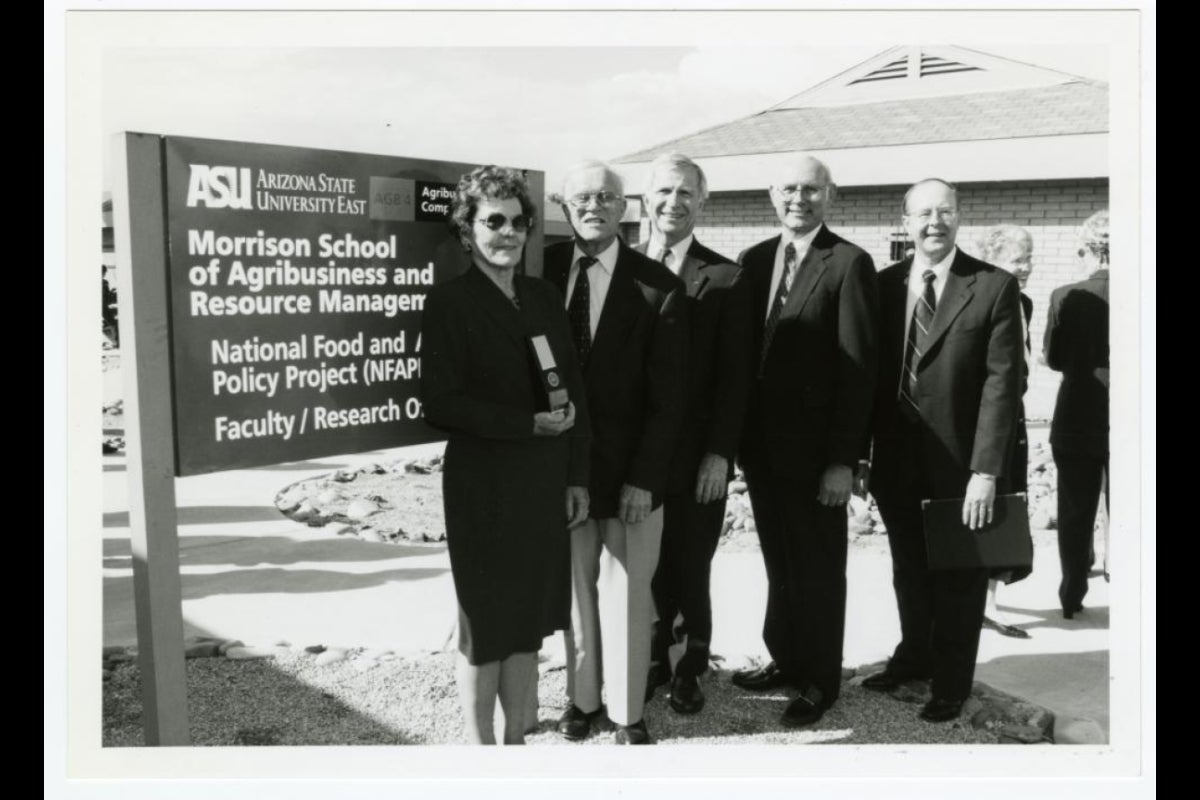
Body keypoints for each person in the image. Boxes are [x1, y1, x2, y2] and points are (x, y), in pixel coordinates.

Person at [420, 166, 591, 745]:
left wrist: (576, 476)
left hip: (542, 483)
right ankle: (480, 751)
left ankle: (518, 742)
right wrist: (526, 424)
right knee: (485, 625)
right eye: (494, 221)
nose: (509, 233)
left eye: (519, 222)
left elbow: (574, 390)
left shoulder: (543, 297)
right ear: (467, 229)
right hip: (483, 486)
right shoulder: (450, 302)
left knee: (526, 625)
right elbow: (440, 403)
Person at [862, 178, 1023, 723]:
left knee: (958, 578)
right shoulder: (882, 287)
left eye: (946, 211)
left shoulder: (992, 286)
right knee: (909, 568)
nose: (935, 221)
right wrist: (861, 455)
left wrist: (985, 471)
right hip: (896, 462)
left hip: (960, 465)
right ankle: (914, 659)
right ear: (904, 221)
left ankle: (951, 683)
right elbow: (868, 378)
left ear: (959, 217)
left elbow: (1004, 386)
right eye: (924, 213)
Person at [730, 154, 879, 728]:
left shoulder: (849, 263)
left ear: (831, 196)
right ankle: (786, 658)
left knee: (817, 569)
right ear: (772, 194)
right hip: (762, 452)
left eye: (812, 189)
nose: (799, 198)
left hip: (819, 458)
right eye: (789, 188)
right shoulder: (755, 258)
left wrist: (843, 460)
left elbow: (858, 371)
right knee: (779, 564)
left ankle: (820, 678)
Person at [544, 160, 688, 745]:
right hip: (564, 473)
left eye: (606, 196)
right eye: (581, 197)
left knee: (629, 598)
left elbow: (670, 401)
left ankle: (628, 713)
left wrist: (645, 479)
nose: (593, 206)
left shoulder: (659, 286)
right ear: (565, 205)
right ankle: (582, 702)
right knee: (576, 594)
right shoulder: (543, 273)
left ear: (624, 206)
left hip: (632, 477)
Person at [634, 153, 752, 715]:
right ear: (644, 198)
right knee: (644, 566)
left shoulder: (726, 278)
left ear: (702, 203)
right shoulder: (623, 267)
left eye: (685, 193)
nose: (672, 203)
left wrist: (718, 455)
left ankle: (688, 668)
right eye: (663, 191)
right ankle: (653, 656)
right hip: (634, 458)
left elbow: (735, 381)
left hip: (695, 459)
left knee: (689, 563)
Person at [1045, 210, 1110, 619]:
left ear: (1088, 250)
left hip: (1077, 411)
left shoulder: (1064, 295)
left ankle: (1072, 592)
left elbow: (1053, 359)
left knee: (1074, 507)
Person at [977, 225, 1037, 639]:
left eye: (1029, 258)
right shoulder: (982, 298)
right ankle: (976, 600)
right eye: (1018, 258)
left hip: (1015, 416)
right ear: (994, 258)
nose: (1026, 267)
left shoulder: (1025, 303)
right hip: (988, 422)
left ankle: (990, 601)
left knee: (1010, 505)